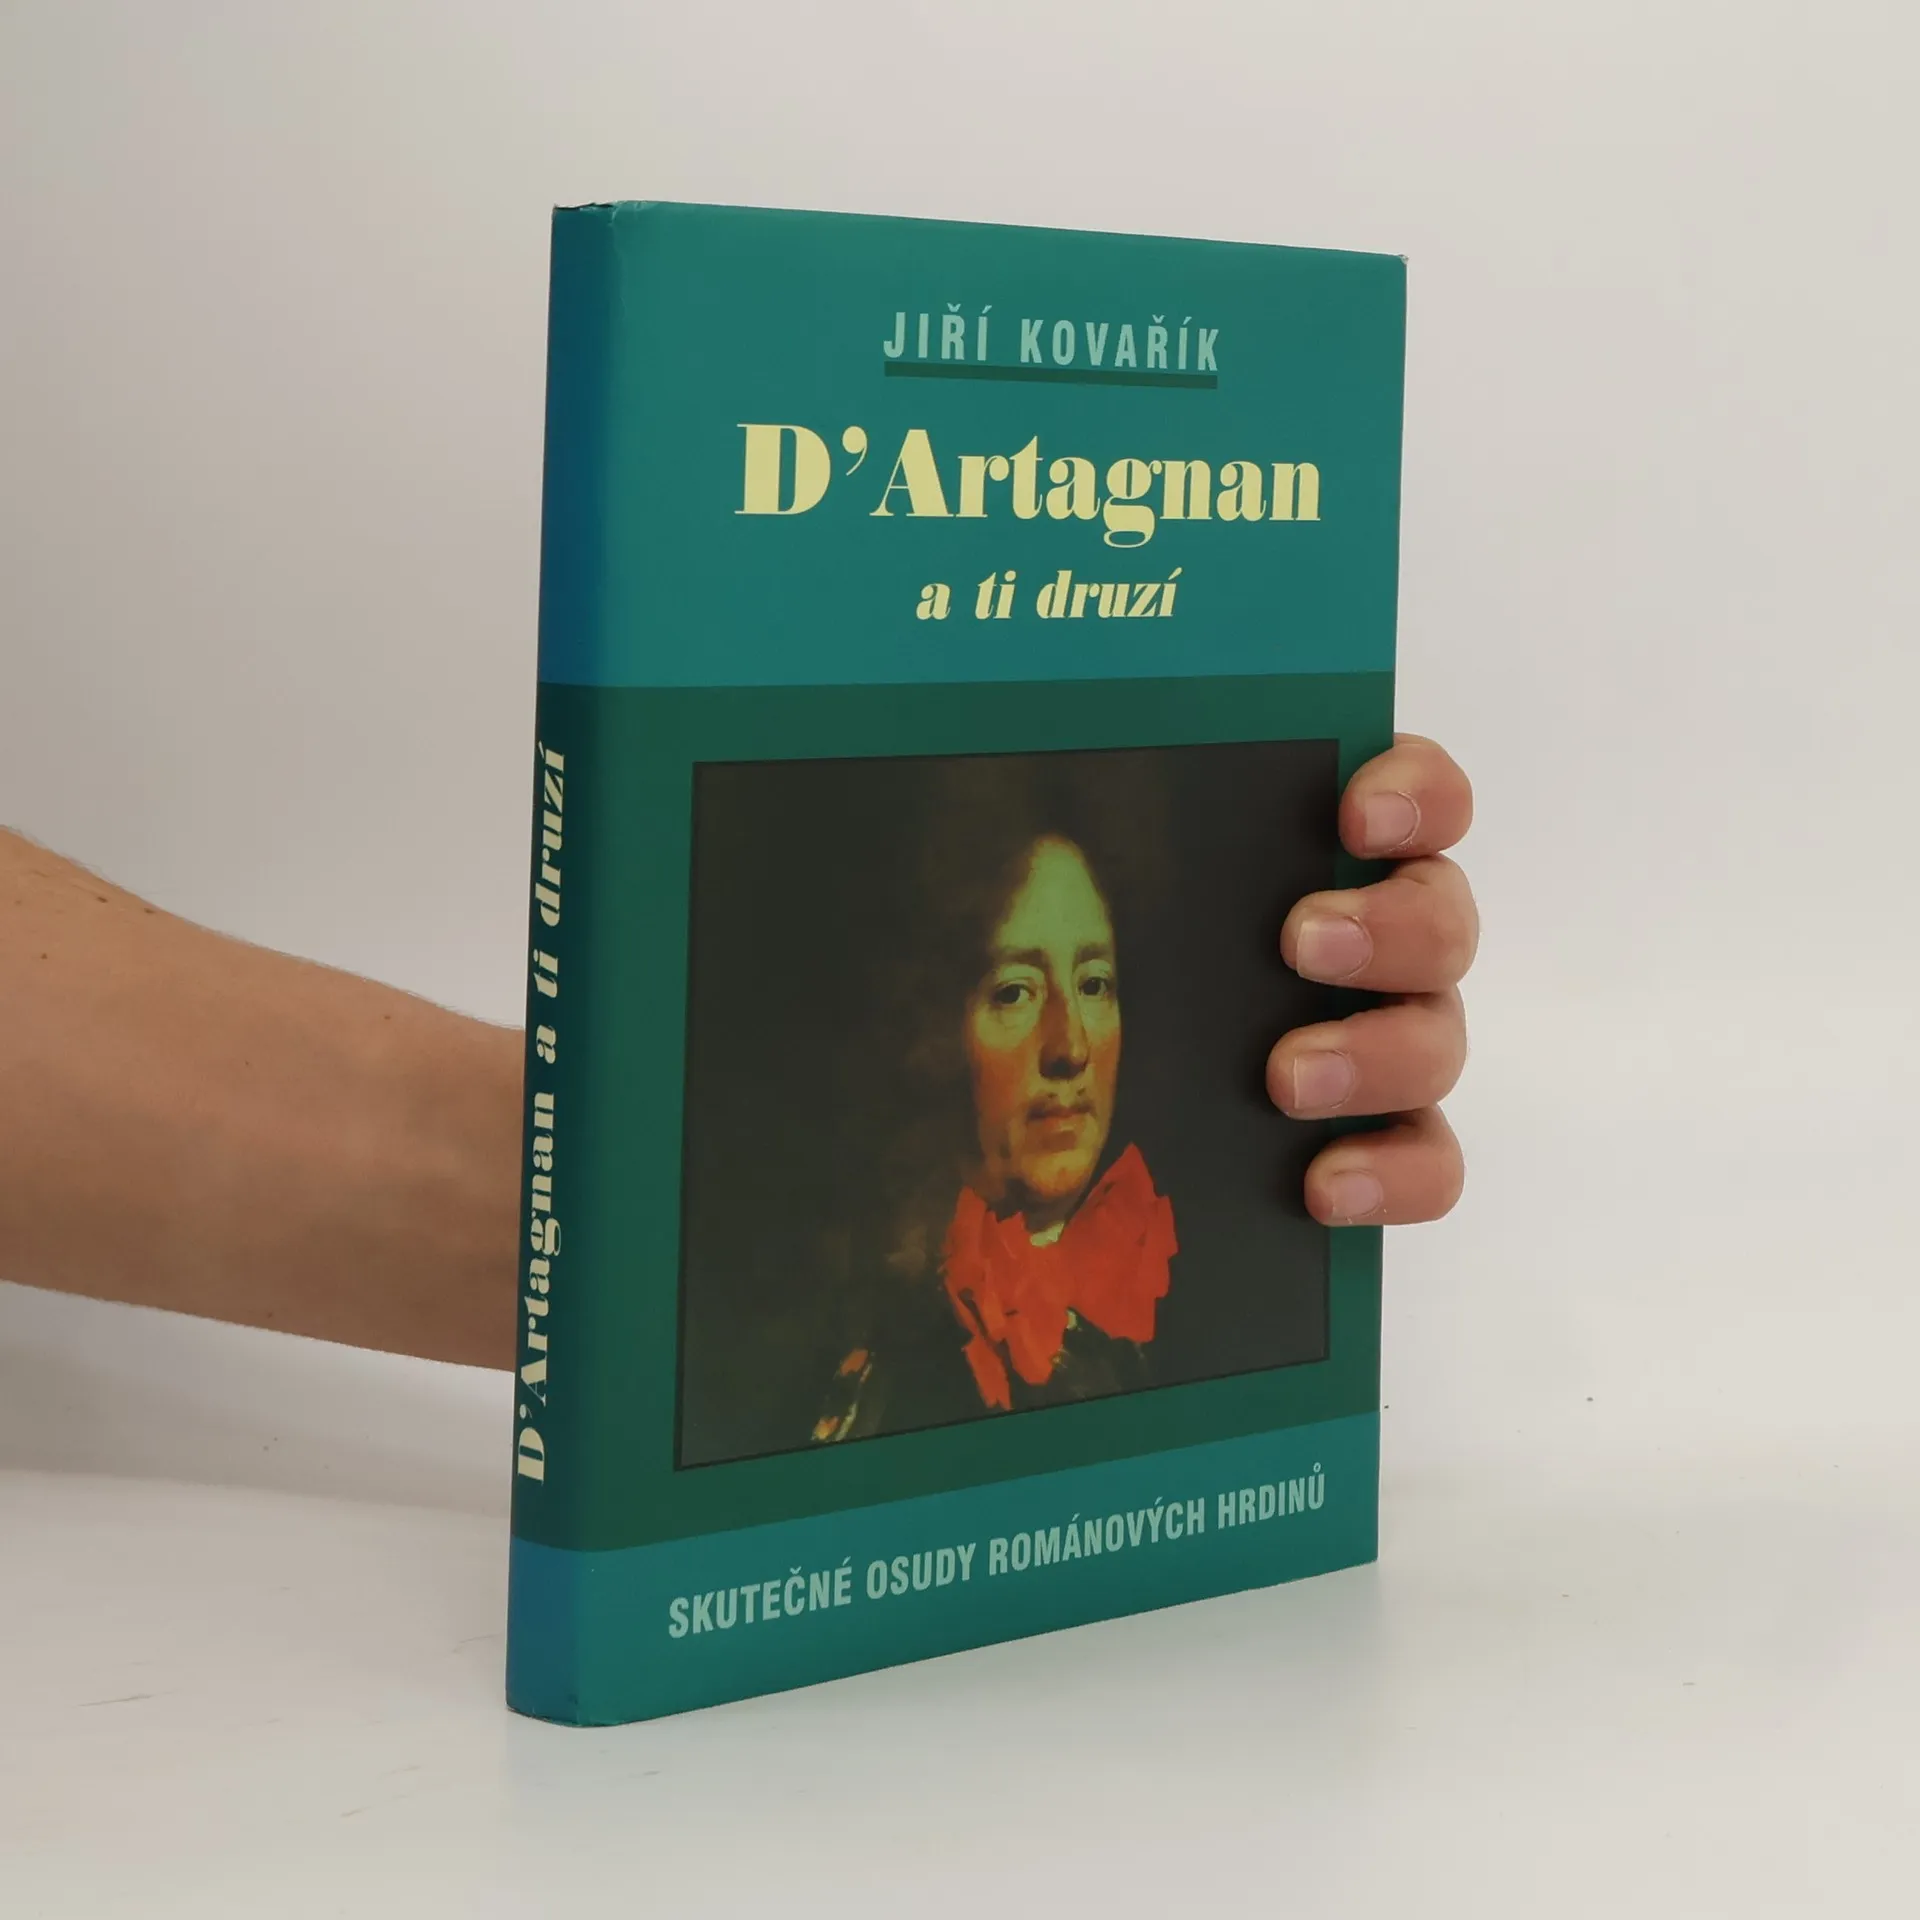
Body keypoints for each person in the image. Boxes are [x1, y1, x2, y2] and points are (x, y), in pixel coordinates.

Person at [0, 736, 1475, 1373]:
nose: (1071, 1046)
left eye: (1096, 983)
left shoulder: (1150, 1308)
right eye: (1013, 992)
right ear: (926, 1021)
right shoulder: (853, 1358)